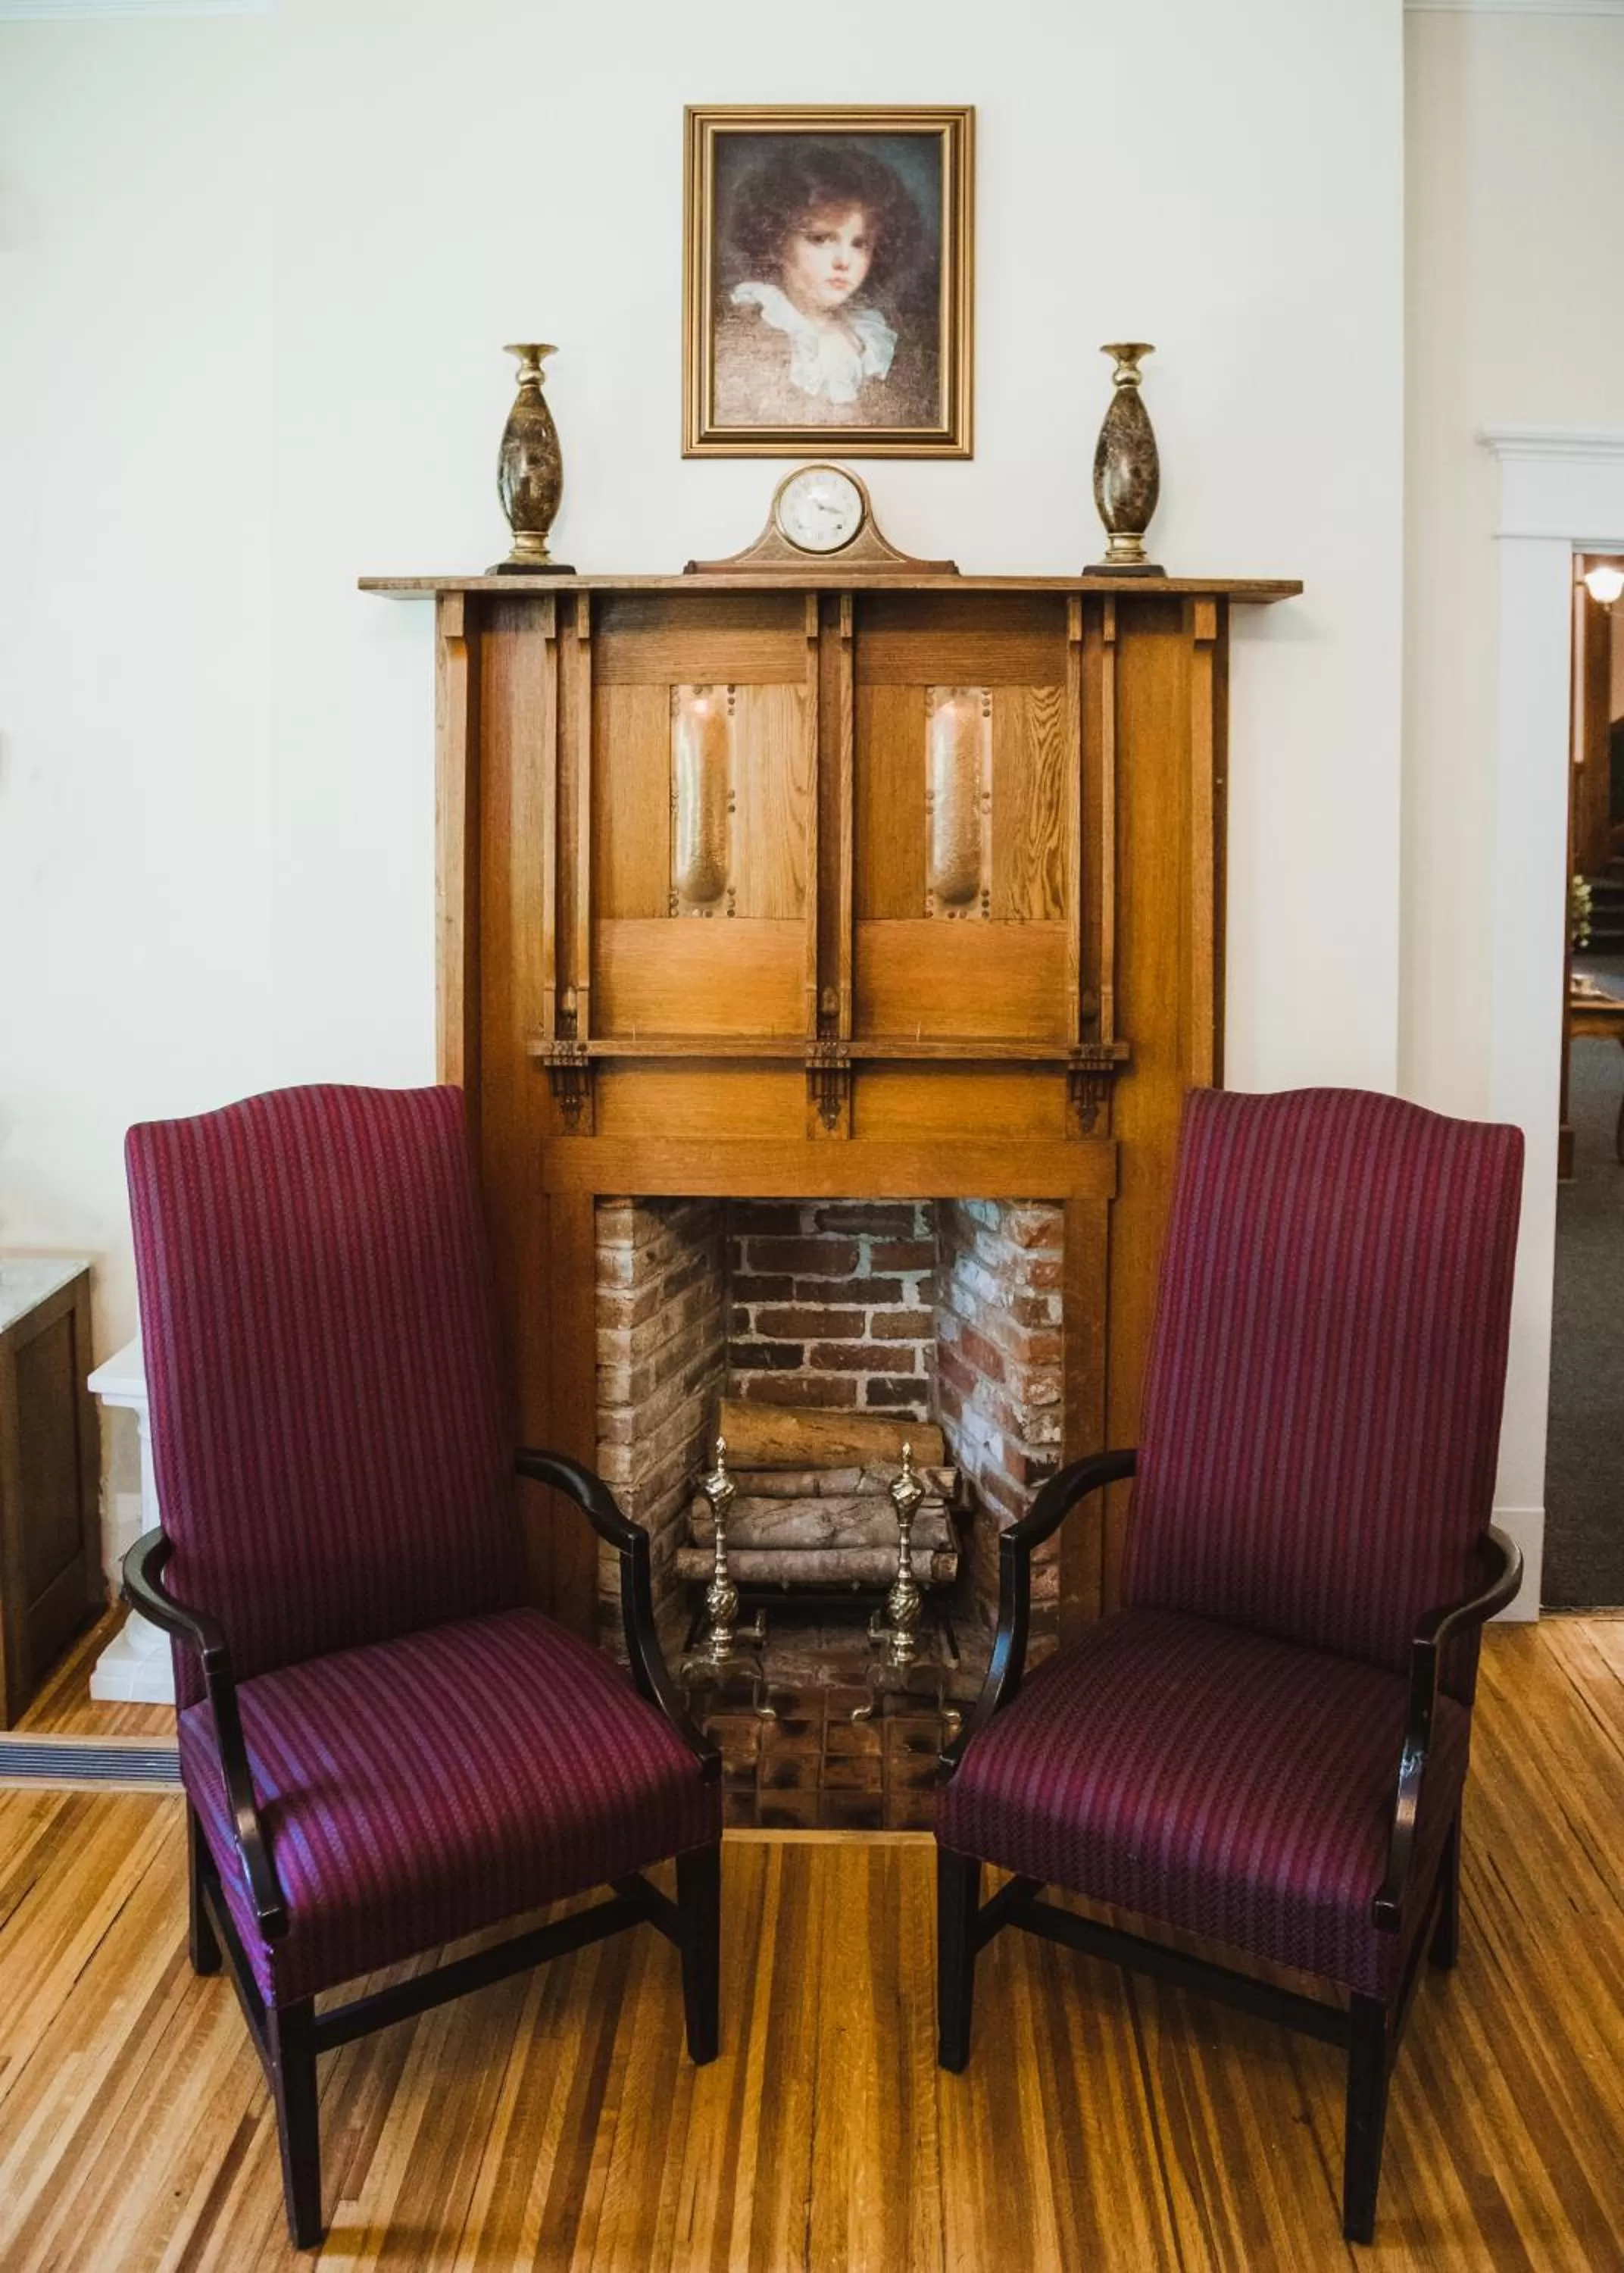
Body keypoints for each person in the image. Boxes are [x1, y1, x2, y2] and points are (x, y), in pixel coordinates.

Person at [714, 140, 937, 429]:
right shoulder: (756, 328)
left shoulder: (870, 339)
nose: (843, 261)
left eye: (860, 244)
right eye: (821, 239)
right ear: (777, 239)